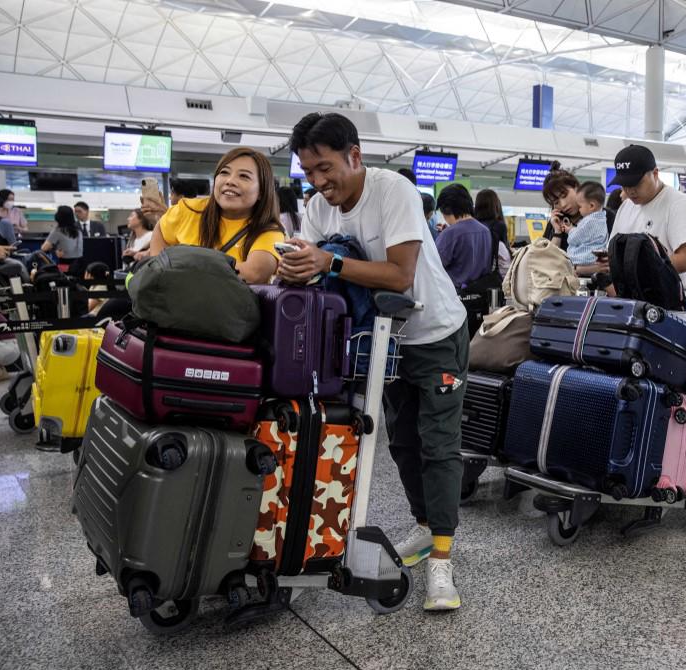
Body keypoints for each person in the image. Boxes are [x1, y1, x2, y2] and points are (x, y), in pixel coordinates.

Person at [278, 112, 468, 612]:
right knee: (401, 442)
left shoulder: (394, 192)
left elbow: (401, 275)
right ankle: (426, 529)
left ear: (354, 156)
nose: (319, 182)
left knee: (438, 442)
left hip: (435, 333)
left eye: (325, 168)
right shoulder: (319, 207)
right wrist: (298, 266)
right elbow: (320, 268)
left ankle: (443, 563)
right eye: (308, 172)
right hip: (382, 342)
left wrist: (330, 262)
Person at [148, 147, 284, 285]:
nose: (230, 181)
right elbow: (161, 229)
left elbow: (254, 274)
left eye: (244, 176)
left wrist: (182, 264)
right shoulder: (190, 209)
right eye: (224, 172)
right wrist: (158, 270)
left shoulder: (269, 231)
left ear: (262, 191)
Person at [609, 144, 686, 285]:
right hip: (629, 298)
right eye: (625, 185)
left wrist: (639, 270)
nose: (630, 190)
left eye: (636, 183)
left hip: (665, 302)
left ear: (655, 173)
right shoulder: (626, 206)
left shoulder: (678, 204)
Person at [434, 184, 509, 286]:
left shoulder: (450, 234)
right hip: (479, 294)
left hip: (454, 295)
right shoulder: (485, 231)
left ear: (445, 209)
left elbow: (433, 267)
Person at [564, 181, 608, 268]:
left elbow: (574, 239)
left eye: (580, 206)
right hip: (594, 260)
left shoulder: (590, 221)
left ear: (591, 206)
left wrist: (570, 230)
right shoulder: (601, 218)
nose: (579, 209)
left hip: (584, 259)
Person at [542, 161, 582, 252]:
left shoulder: (600, 216)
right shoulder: (555, 223)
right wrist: (557, 232)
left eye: (564, 195)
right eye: (556, 202)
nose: (563, 205)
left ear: (576, 187)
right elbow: (547, 259)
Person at [41, 206, 84, 275]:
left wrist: (54, 250)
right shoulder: (78, 230)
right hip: (80, 266)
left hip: (65, 266)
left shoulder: (58, 231)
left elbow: (44, 248)